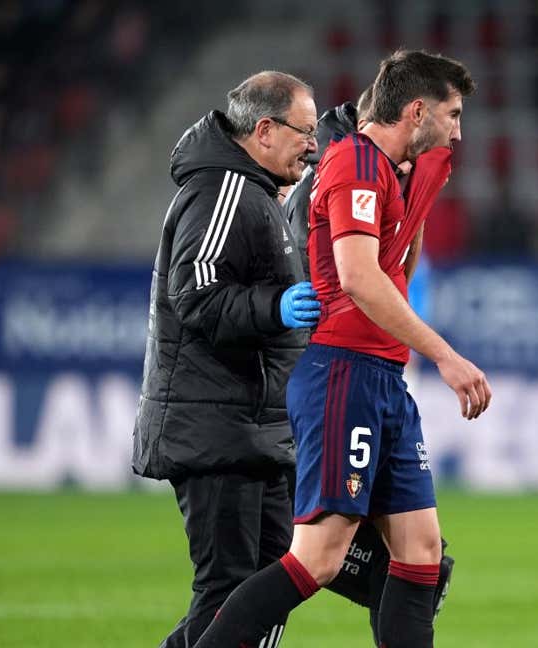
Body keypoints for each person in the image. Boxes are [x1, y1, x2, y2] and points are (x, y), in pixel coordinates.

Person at [194, 49, 490, 648]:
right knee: (318, 558)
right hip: (343, 374)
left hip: (382, 377)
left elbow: (398, 264)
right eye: (452, 114)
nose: (458, 130)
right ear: (416, 110)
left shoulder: (392, 172)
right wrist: (446, 355)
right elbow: (359, 277)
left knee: (421, 554)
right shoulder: (354, 162)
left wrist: (421, 196)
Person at [132, 70, 321, 648]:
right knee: (229, 590)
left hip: (252, 428)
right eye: (304, 132)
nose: (311, 145)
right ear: (264, 130)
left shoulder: (258, 191)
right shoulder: (223, 190)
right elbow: (196, 295)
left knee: (263, 589)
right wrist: (276, 307)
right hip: (215, 429)